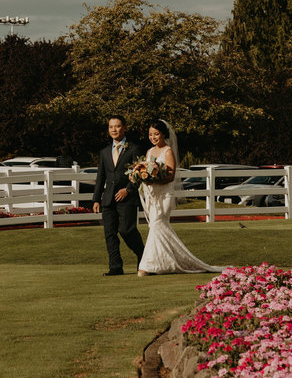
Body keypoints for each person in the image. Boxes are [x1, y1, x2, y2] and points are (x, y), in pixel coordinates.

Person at [136, 119, 220, 276]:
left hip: (164, 194)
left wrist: (154, 178)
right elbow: (145, 170)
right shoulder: (149, 152)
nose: (153, 137)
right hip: (151, 195)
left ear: (163, 134)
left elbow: (170, 176)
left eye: (156, 134)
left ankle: (146, 266)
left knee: (157, 224)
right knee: (157, 227)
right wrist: (142, 177)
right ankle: (162, 263)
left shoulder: (168, 151)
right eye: (150, 134)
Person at [91, 115, 145, 276]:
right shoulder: (105, 152)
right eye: (111, 127)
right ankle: (115, 267)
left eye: (117, 126)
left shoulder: (134, 149)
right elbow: (101, 177)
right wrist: (96, 199)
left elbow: (140, 173)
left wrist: (128, 190)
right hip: (108, 199)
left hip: (127, 198)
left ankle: (143, 257)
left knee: (127, 230)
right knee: (110, 234)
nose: (114, 129)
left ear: (125, 127)